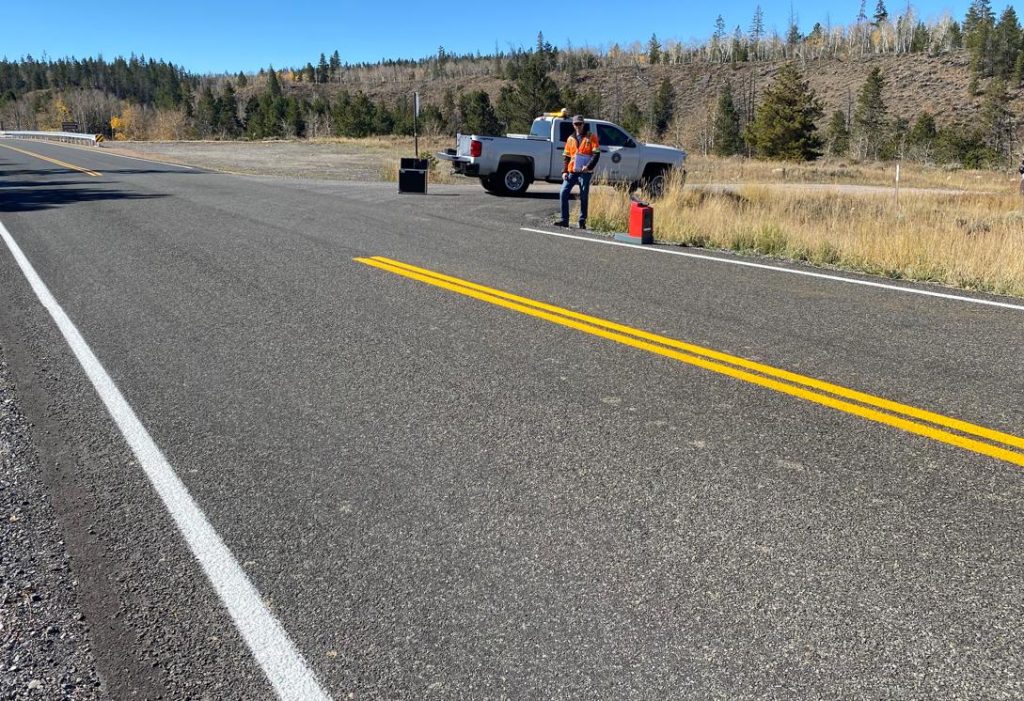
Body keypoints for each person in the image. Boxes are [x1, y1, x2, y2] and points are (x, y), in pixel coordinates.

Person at [555, 115, 600, 229]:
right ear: (573, 125)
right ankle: (564, 220)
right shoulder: (570, 138)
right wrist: (564, 171)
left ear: (583, 124)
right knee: (563, 192)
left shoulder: (591, 137)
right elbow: (566, 156)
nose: (578, 126)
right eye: (576, 124)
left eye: (580, 124)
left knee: (584, 195)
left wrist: (588, 166)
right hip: (572, 171)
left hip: (585, 172)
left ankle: (582, 221)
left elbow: (596, 154)